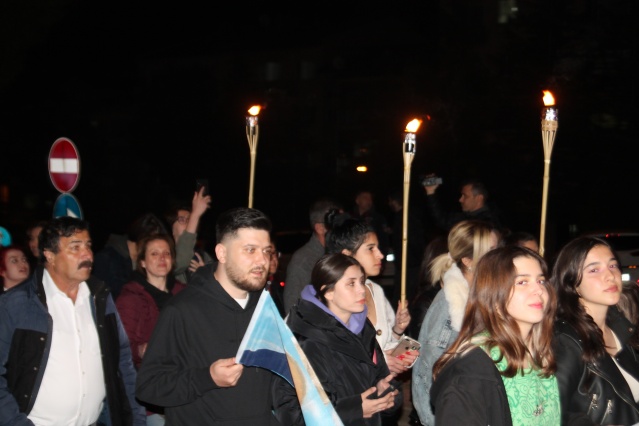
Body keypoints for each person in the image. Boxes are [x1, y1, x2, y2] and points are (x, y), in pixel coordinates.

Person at [135, 207, 301, 425]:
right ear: (222, 253)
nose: (262, 260)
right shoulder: (182, 311)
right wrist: (207, 378)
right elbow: (148, 387)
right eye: (250, 250)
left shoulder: (265, 307)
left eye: (266, 251)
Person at [0, 216, 145, 425]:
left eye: (88, 246)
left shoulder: (100, 298)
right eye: (75, 248)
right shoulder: (16, 304)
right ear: (50, 256)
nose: (87, 254)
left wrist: (136, 419)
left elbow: (123, 364)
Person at [430, 245, 560, 425]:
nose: (539, 290)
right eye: (522, 282)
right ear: (493, 294)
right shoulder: (471, 373)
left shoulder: (544, 353)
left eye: (541, 281)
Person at [324, 212, 416, 426]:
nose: (381, 255)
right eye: (371, 249)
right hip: (350, 408)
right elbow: (335, 360)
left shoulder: (375, 291)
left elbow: (383, 344)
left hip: (383, 402)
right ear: (347, 255)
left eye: (378, 247)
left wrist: (398, 333)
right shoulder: (330, 299)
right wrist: (382, 362)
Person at [286, 253, 399, 425]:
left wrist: (385, 393)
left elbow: (380, 378)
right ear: (329, 292)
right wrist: (355, 409)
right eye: (351, 284)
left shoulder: (363, 328)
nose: (362, 289)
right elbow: (294, 412)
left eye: (361, 281)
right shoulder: (307, 340)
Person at [412, 219, 500, 425]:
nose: (498, 257)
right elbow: (429, 371)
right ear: (468, 261)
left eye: (498, 248)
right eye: (491, 251)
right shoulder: (450, 305)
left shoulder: (483, 293)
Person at [552, 236, 639, 425]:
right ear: (572, 284)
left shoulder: (622, 329)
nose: (610, 276)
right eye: (594, 270)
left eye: (613, 266)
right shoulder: (566, 340)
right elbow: (556, 413)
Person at [116, 233, 186, 425]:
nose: (162, 258)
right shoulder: (130, 298)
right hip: (150, 392)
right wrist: (142, 350)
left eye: (166, 253)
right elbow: (120, 346)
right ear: (143, 262)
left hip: (183, 388)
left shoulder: (184, 293)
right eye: (154, 254)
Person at [283, 196, 341, 314]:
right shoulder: (303, 260)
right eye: (335, 222)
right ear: (320, 228)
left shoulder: (341, 253)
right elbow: (292, 309)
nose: (341, 227)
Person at [93, 212, 168, 299]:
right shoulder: (106, 259)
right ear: (140, 236)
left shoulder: (148, 260)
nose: (157, 247)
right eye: (153, 242)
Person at [164, 185, 214, 283]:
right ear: (171, 227)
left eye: (190, 219)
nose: (189, 223)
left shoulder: (202, 255)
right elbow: (179, 263)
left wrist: (207, 274)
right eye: (182, 219)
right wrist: (195, 214)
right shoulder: (165, 254)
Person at [387, 190, 426, 307]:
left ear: (395, 202)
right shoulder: (402, 217)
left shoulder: (405, 217)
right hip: (406, 263)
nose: (389, 204)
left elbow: (414, 240)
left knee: (405, 295)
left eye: (390, 201)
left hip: (409, 264)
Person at [422, 177, 502, 233]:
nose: (460, 200)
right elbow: (441, 219)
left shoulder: (489, 224)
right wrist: (430, 192)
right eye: (461, 196)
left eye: (465, 196)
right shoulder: (465, 217)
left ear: (479, 198)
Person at [352, 190, 391, 264]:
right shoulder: (350, 218)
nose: (369, 201)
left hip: (373, 259)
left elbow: (384, 240)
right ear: (357, 200)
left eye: (370, 198)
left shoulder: (378, 218)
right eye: (365, 198)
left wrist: (382, 259)